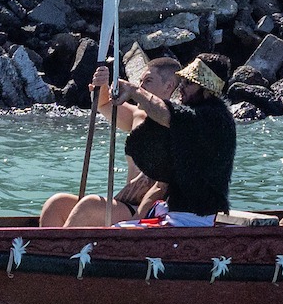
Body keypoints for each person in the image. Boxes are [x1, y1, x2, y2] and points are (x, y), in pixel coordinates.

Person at [39, 56, 183, 227]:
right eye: (140, 81)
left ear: (169, 86)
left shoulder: (179, 122)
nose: (140, 86)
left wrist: (137, 217)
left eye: (148, 81)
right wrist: (102, 84)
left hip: (149, 210)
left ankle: (66, 251)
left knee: (90, 206)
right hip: (126, 203)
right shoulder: (137, 115)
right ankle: (43, 251)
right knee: (57, 204)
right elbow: (104, 104)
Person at [98, 55, 235, 226]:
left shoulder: (213, 118)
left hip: (193, 219)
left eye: (189, 83)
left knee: (116, 226)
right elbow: (104, 104)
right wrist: (102, 84)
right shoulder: (196, 117)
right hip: (174, 211)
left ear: (207, 90)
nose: (181, 88)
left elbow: (169, 115)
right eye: (183, 82)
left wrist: (134, 91)